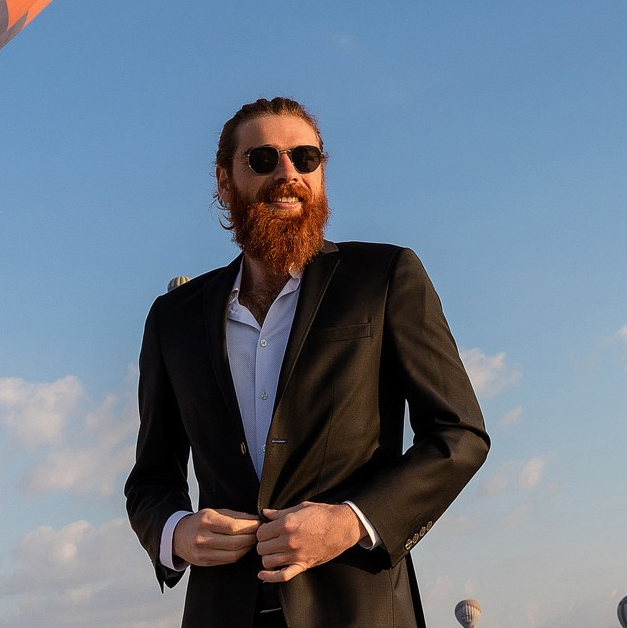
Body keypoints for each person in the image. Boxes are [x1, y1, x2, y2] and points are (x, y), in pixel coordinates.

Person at [125, 97, 489, 628]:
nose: (288, 173)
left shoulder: (385, 276)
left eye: (306, 158)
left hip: (358, 608)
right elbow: (151, 478)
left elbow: (459, 435)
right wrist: (175, 531)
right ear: (224, 183)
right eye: (264, 160)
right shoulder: (172, 318)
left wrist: (350, 522)